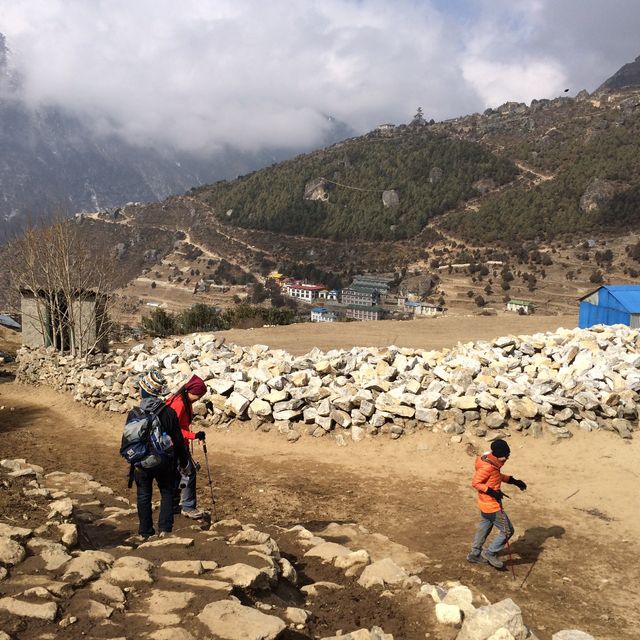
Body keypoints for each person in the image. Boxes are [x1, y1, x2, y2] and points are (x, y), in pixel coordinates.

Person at [132, 368, 189, 539]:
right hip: (164, 461)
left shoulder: (135, 413)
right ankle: (164, 530)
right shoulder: (168, 413)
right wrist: (184, 462)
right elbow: (178, 441)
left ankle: (145, 532)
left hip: (141, 461)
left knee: (143, 495)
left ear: (143, 391)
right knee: (166, 492)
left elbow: (128, 439)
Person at [467, 438, 527, 569]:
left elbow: (495, 476)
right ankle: (490, 553)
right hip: (491, 505)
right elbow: (476, 483)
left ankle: (474, 554)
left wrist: (514, 481)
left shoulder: (490, 461)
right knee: (507, 530)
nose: (507, 458)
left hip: (484, 504)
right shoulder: (488, 466)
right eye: (505, 456)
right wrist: (493, 493)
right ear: (499, 455)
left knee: (484, 528)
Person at [165, 374, 208, 519]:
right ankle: (188, 507)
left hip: (177, 443)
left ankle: (173, 504)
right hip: (174, 443)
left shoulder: (183, 399)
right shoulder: (180, 403)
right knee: (189, 473)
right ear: (191, 391)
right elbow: (173, 429)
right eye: (198, 395)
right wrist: (194, 436)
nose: (199, 398)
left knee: (179, 474)